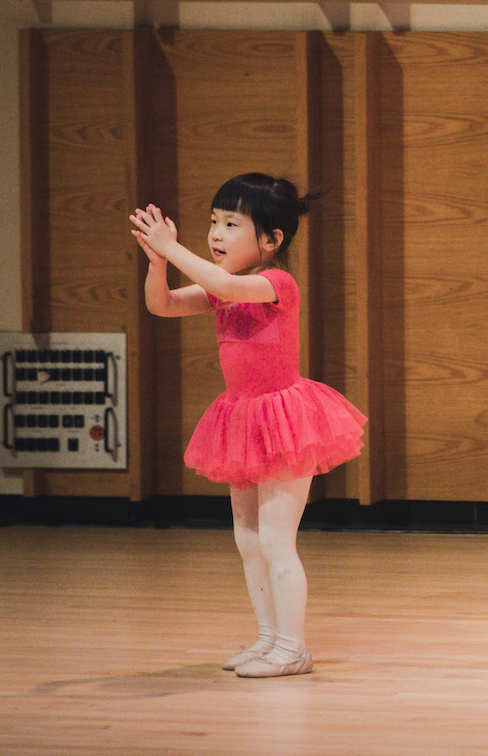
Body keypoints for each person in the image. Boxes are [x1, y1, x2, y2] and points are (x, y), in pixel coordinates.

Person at [129, 173, 365, 678]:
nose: (216, 233)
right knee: (248, 538)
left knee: (278, 541)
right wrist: (156, 265)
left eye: (231, 224)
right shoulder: (223, 286)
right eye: (213, 221)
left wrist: (171, 248)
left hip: (284, 420)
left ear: (270, 240)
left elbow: (222, 283)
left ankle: (293, 648)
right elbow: (163, 305)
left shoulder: (275, 283)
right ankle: (268, 638)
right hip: (241, 419)